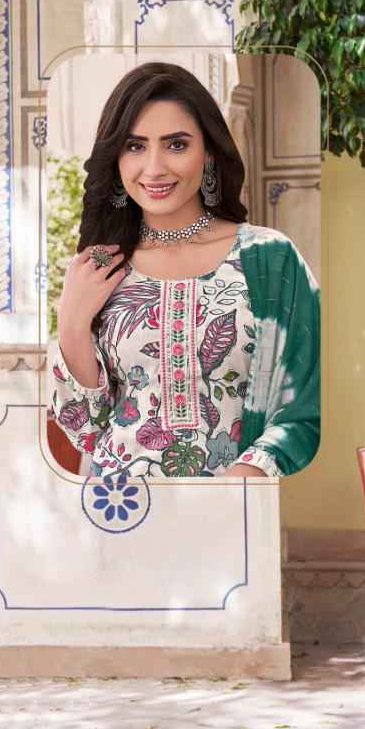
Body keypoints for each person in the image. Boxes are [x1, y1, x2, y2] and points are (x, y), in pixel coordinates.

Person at [51, 60, 320, 480]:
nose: (154, 167)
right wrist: (71, 322)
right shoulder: (99, 266)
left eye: (176, 145)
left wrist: (244, 480)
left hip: (235, 507)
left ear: (208, 153)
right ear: (116, 158)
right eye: (135, 146)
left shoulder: (270, 258)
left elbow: (301, 410)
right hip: (119, 507)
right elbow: (85, 431)